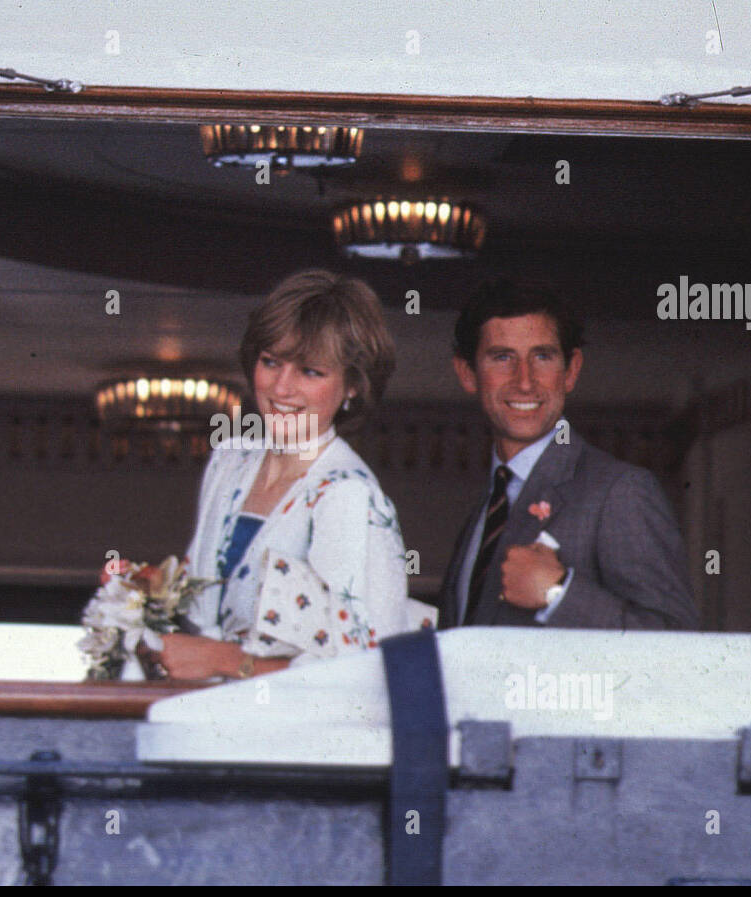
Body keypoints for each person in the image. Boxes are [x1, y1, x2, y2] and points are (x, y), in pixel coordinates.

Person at [159, 269, 412, 679]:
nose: (282, 387)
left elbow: (363, 672)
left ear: (352, 385)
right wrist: (149, 592)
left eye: (311, 372)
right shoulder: (230, 459)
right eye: (271, 362)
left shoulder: (348, 495)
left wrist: (227, 661)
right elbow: (202, 602)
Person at [439, 278, 699, 630]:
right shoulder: (483, 512)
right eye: (502, 358)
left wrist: (559, 594)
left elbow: (676, 643)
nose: (525, 381)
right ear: (467, 373)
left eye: (542, 356)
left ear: (571, 370)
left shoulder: (621, 492)